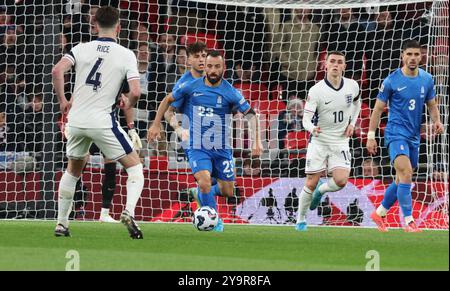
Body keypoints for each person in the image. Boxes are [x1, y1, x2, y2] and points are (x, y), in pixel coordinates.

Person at [51, 6, 144, 239]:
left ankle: (62, 224)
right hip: (102, 121)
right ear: (119, 27)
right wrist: (126, 100)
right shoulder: (126, 54)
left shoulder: (80, 48)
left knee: (73, 170)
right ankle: (129, 212)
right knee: (134, 166)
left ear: (95, 26)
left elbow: (57, 70)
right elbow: (136, 91)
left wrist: (63, 100)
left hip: (76, 120)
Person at [150, 50, 263, 232]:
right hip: (197, 145)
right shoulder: (191, 86)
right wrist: (156, 124)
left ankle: (200, 194)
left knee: (228, 191)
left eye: (217, 67)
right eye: (209, 66)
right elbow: (167, 100)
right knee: (204, 181)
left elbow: (250, 114)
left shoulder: (230, 92)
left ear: (223, 68)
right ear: (206, 67)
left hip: (221, 147)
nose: (212, 70)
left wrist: (257, 141)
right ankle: (215, 219)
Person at [366, 39, 444, 233]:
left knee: (402, 178)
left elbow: (432, 104)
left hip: (414, 135)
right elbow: (377, 110)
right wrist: (370, 135)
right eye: (409, 54)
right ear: (402, 56)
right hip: (395, 133)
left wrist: (437, 120)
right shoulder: (391, 80)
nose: (412, 58)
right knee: (406, 172)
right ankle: (409, 221)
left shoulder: (426, 79)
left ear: (421, 57)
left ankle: (380, 212)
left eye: (416, 54)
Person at [295, 51, 361, 231]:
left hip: (340, 141)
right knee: (310, 182)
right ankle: (300, 220)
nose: (336, 65)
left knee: (341, 181)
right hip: (319, 140)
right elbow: (305, 119)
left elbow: (357, 103)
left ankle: (322, 190)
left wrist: (352, 124)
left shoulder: (352, 86)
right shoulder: (316, 90)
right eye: (332, 61)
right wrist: (311, 129)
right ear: (325, 64)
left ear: (344, 66)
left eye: (340, 62)